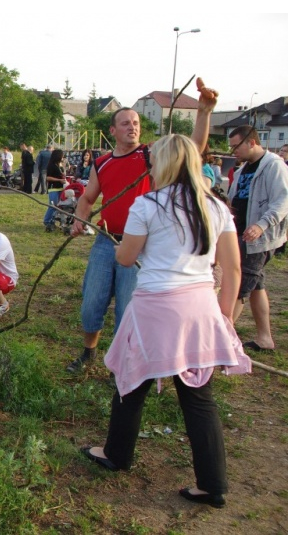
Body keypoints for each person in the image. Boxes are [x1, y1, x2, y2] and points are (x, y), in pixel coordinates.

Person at [80, 133, 251, 510]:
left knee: (130, 380)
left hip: (156, 308)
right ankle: (213, 484)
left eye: (154, 160)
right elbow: (233, 268)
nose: (150, 166)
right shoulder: (216, 206)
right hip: (201, 308)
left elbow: (125, 258)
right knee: (198, 397)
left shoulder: (148, 205)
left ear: (167, 163)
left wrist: (130, 244)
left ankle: (117, 453)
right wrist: (224, 316)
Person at [66, 78, 218, 373]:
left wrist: (204, 113)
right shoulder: (103, 162)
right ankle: (88, 353)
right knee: (91, 303)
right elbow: (87, 198)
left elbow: (192, 149)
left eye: (135, 122)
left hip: (139, 247)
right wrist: (78, 219)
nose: (132, 127)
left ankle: (124, 363)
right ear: (112, 130)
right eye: (124, 123)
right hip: (105, 241)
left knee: (128, 309)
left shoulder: (151, 155)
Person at [226, 125, 288, 351]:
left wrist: (261, 226)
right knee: (256, 285)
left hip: (258, 239)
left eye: (236, 146)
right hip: (240, 234)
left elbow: (283, 201)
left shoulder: (274, 166)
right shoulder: (243, 170)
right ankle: (265, 338)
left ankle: (223, 337)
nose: (233, 152)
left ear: (251, 142)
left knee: (240, 286)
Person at [43, 148, 68, 232]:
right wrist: (59, 180)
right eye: (62, 156)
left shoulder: (58, 165)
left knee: (58, 206)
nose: (63, 157)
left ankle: (53, 220)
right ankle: (47, 220)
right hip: (53, 188)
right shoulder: (51, 165)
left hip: (60, 188)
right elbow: (48, 177)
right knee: (52, 206)